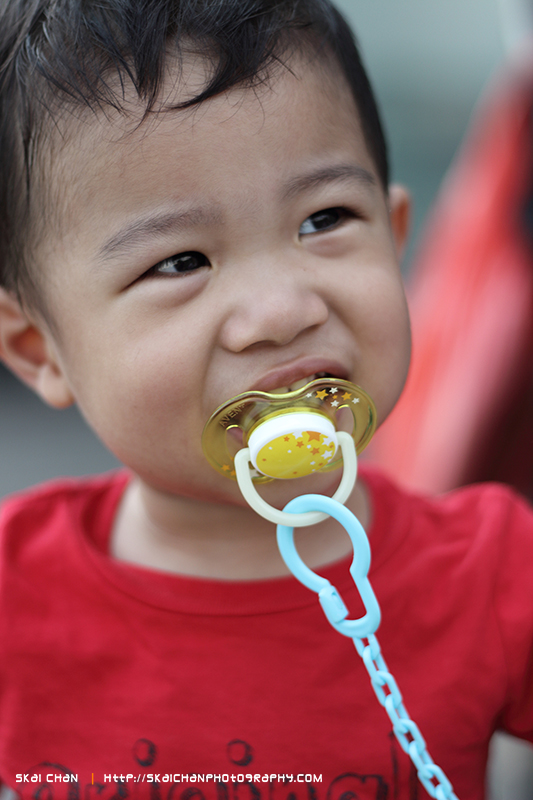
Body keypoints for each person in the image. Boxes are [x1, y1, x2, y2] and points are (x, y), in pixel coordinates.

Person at [0, 2, 531, 798]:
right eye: (180, 262)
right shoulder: (14, 598)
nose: (281, 312)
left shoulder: (494, 574)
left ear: (394, 237)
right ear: (41, 348)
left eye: (325, 219)